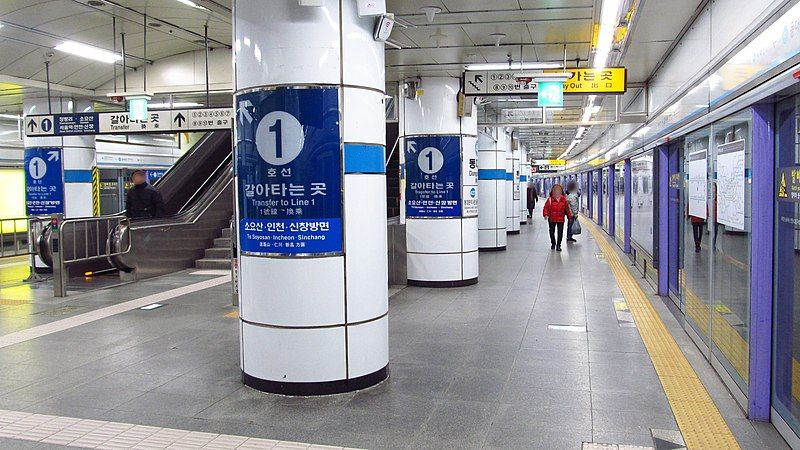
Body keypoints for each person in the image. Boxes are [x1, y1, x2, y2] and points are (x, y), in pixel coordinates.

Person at [542, 183, 573, 251]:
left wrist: (570, 216)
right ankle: (553, 243)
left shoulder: (564, 200)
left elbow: (567, 209)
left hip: (560, 219)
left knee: (560, 232)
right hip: (551, 219)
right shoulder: (550, 199)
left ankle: (558, 245)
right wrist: (545, 214)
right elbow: (546, 208)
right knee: (551, 231)